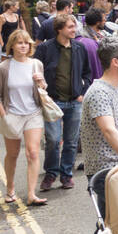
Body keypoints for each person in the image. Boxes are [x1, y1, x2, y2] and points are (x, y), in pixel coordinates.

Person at [35, 13, 94, 191]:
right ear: (59, 29)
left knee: (71, 141)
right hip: (53, 101)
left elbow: (87, 73)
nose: (74, 30)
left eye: (74, 26)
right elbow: (36, 71)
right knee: (53, 140)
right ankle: (51, 173)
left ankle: (66, 174)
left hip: (75, 101)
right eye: (70, 27)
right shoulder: (45, 48)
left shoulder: (79, 48)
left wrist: (82, 93)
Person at [0, 30, 47, 205]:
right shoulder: (3, 68)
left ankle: (31, 194)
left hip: (33, 114)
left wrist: (41, 83)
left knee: (32, 152)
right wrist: (4, 116)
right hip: (13, 115)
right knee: (13, 154)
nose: (23, 46)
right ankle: (10, 189)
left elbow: (43, 89)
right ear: (12, 46)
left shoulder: (36, 64)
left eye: (26, 43)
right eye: (19, 43)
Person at [78, 38, 118, 185]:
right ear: (115, 62)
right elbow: (108, 130)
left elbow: (114, 127)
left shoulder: (116, 88)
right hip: (106, 171)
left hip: (117, 167)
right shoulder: (99, 92)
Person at [77, 8, 105, 81]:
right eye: (104, 20)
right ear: (98, 22)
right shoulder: (83, 36)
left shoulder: (102, 33)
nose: (105, 21)